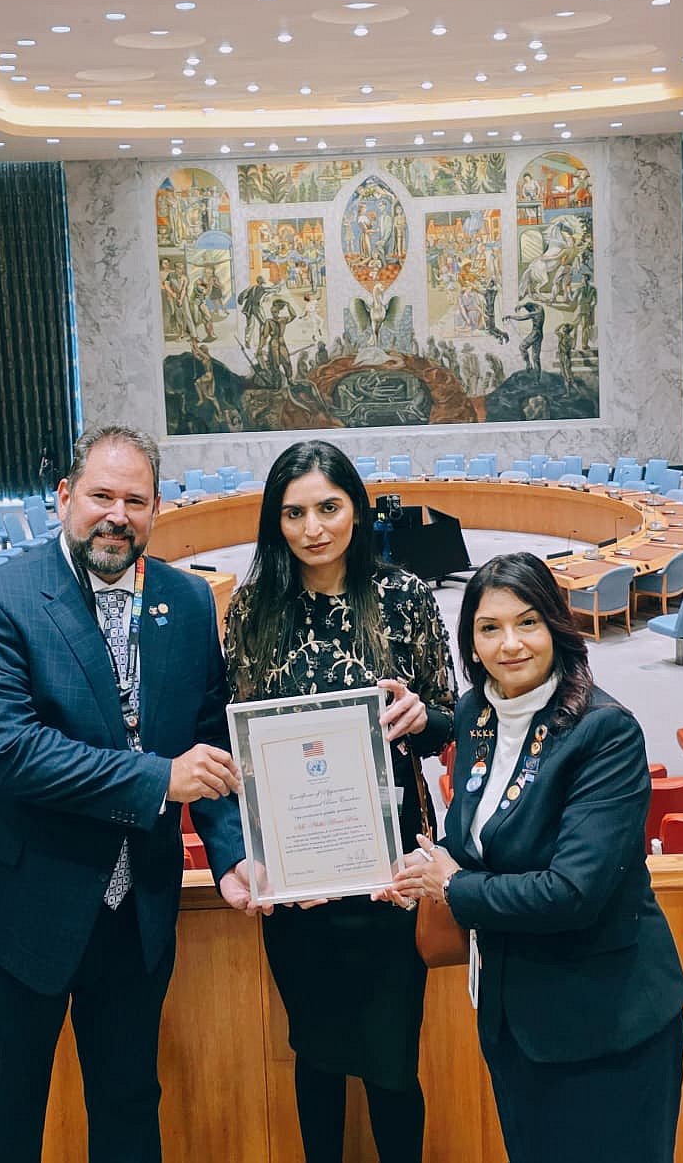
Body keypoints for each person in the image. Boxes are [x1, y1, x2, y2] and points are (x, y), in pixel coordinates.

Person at [0, 424, 252, 1163]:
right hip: (13, 909)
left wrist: (231, 854)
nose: (117, 514)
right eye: (101, 495)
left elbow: (209, 737)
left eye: (135, 500)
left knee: (131, 1110)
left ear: (157, 508)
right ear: (64, 497)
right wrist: (156, 777)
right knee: (2, 1127)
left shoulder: (189, 602)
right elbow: (11, 754)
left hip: (131, 914)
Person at [392, 553, 683, 1163]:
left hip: (605, 1027)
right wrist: (426, 869)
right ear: (469, 641)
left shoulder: (604, 733)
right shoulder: (477, 715)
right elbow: (472, 835)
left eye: (527, 623)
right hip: (514, 1020)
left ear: (556, 625)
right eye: (489, 628)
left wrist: (454, 889)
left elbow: (572, 892)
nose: (510, 645)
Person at [224, 440, 456, 1163]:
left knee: (392, 1062)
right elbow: (239, 737)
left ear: (356, 508)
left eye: (329, 507)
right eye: (294, 513)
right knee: (316, 1055)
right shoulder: (251, 608)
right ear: (275, 520)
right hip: (301, 877)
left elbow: (452, 718)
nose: (313, 528)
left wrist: (422, 719)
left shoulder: (406, 596)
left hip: (393, 873)